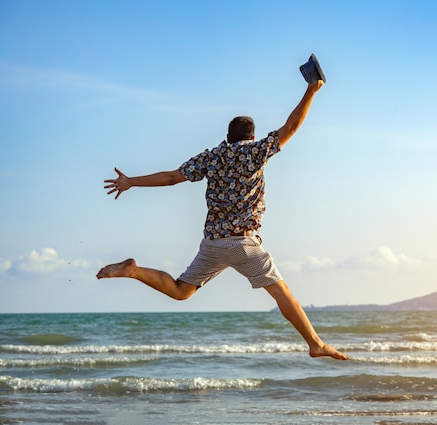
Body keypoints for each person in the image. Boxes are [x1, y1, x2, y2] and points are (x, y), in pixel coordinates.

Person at [96, 79, 348, 360]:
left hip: (213, 244)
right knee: (282, 292)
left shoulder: (212, 156)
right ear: (251, 137)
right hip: (243, 243)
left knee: (181, 291)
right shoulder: (255, 151)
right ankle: (315, 343)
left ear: (227, 136)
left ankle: (134, 271)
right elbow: (291, 127)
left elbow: (171, 178)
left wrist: (131, 181)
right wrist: (311, 91)